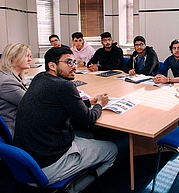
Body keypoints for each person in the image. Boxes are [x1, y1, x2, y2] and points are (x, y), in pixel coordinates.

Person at [14, 47, 118, 191]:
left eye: (74, 61)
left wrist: (89, 102)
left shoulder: (40, 78)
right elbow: (88, 119)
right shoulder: (64, 86)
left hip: (26, 163)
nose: (74, 66)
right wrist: (100, 104)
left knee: (87, 136)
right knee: (112, 149)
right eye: (69, 62)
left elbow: (60, 104)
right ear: (52, 65)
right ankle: (71, 189)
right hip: (48, 166)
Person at [0, 43, 31, 138]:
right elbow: (31, 104)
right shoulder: (7, 82)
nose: (30, 59)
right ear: (13, 58)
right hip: (17, 130)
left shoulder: (10, 75)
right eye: (26, 56)